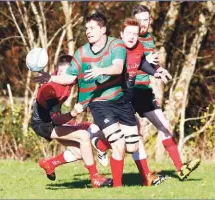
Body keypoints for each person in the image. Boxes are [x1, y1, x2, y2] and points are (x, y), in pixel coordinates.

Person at [35, 13, 140, 188]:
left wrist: (100, 70)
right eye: (86, 28)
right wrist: (50, 78)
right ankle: (118, 188)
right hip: (98, 103)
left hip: (120, 101)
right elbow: (69, 77)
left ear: (103, 29)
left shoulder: (116, 45)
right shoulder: (81, 52)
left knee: (132, 147)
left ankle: (100, 143)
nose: (88, 31)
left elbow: (118, 67)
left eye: (92, 28)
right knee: (118, 144)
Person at [91, 18, 169, 186]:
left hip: (127, 100)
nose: (132, 37)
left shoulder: (139, 47)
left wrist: (155, 73)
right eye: (129, 33)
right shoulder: (114, 49)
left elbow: (140, 62)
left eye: (135, 33)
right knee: (121, 140)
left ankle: (101, 144)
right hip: (111, 99)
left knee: (133, 142)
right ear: (121, 34)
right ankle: (139, 179)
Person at [131, 5, 200, 180]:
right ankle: (100, 143)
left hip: (144, 92)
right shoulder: (126, 38)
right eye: (140, 20)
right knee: (131, 134)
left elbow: (151, 64)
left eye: (146, 20)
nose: (143, 24)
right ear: (133, 20)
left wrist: (159, 70)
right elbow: (124, 63)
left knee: (164, 127)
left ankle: (180, 169)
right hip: (127, 92)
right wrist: (144, 60)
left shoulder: (149, 39)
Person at [31, 55, 112, 188]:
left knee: (79, 153)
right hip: (42, 125)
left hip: (52, 121)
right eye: (66, 74)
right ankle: (95, 178)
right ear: (59, 72)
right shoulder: (50, 89)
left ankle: (50, 164)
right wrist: (74, 112)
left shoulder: (69, 78)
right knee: (84, 136)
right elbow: (56, 119)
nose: (69, 77)